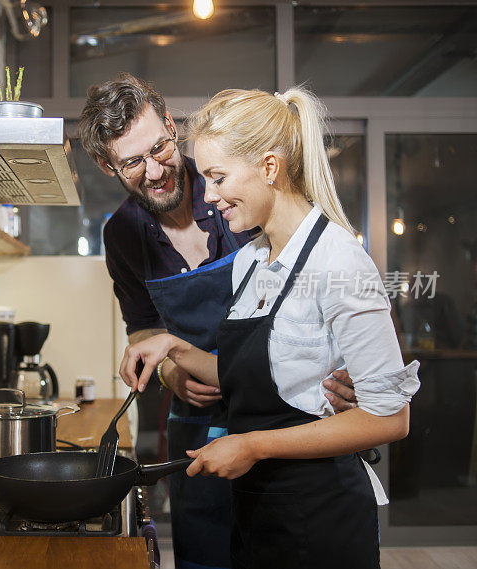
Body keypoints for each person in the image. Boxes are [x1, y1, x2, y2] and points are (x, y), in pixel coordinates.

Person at [119, 86, 421, 568]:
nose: (209, 194)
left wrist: (253, 445)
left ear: (269, 167)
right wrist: (171, 346)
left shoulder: (339, 263)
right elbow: (249, 376)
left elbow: (389, 417)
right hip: (258, 509)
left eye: (218, 177)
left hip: (322, 516)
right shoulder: (252, 261)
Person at [79, 74, 357, 569]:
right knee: (207, 554)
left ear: (171, 125)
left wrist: (352, 363)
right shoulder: (122, 233)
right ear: (106, 165)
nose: (155, 171)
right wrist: (171, 370)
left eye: (160, 148)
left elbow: (322, 278)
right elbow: (141, 325)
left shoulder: (236, 186)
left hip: (282, 410)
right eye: (131, 163)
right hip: (197, 418)